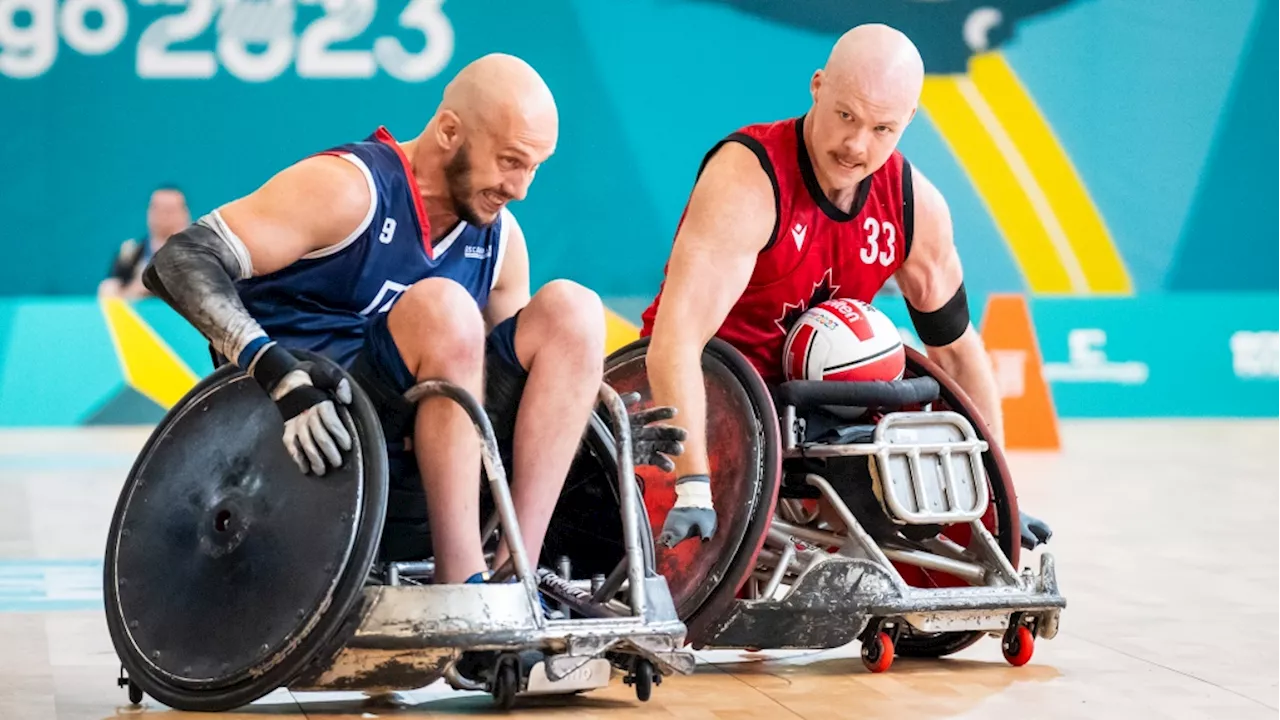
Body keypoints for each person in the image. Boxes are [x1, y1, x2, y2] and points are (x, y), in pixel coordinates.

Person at [141, 53, 684, 593]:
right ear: (450, 130)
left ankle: (516, 571)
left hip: (424, 458)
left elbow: (516, 386)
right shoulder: (349, 189)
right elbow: (177, 262)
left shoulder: (500, 240)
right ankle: (460, 583)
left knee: (574, 309)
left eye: (535, 167)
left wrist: (584, 429)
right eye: (510, 161)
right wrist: (280, 376)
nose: (520, 187)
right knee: (444, 309)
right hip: (308, 435)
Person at [639, 24, 1051, 551]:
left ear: (909, 121)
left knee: (907, 427)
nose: (856, 145)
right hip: (714, 393)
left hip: (817, 411)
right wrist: (693, 486)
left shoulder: (914, 205)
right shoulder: (749, 178)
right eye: (846, 116)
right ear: (817, 87)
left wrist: (999, 496)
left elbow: (957, 354)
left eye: (882, 129)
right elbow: (675, 343)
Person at [98, 185, 190, 299]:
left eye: (170, 210)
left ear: (185, 213)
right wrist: (138, 288)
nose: (164, 216)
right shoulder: (130, 253)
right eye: (158, 209)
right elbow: (110, 295)